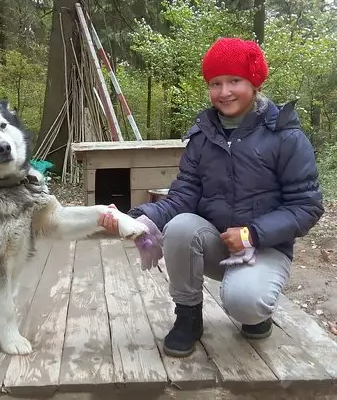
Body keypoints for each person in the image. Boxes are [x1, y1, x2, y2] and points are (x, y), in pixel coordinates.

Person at [99, 37, 324, 358]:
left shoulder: (285, 135)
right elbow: (183, 196)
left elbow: (307, 206)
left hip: (265, 248)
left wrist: (253, 234)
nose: (224, 92)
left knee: (245, 303)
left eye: (235, 81)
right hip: (216, 242)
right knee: (179, 227)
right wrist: (136, 218)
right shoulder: (203, 136)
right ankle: (188, 316)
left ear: (254, 82)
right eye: (215, 83)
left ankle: (255, 309)